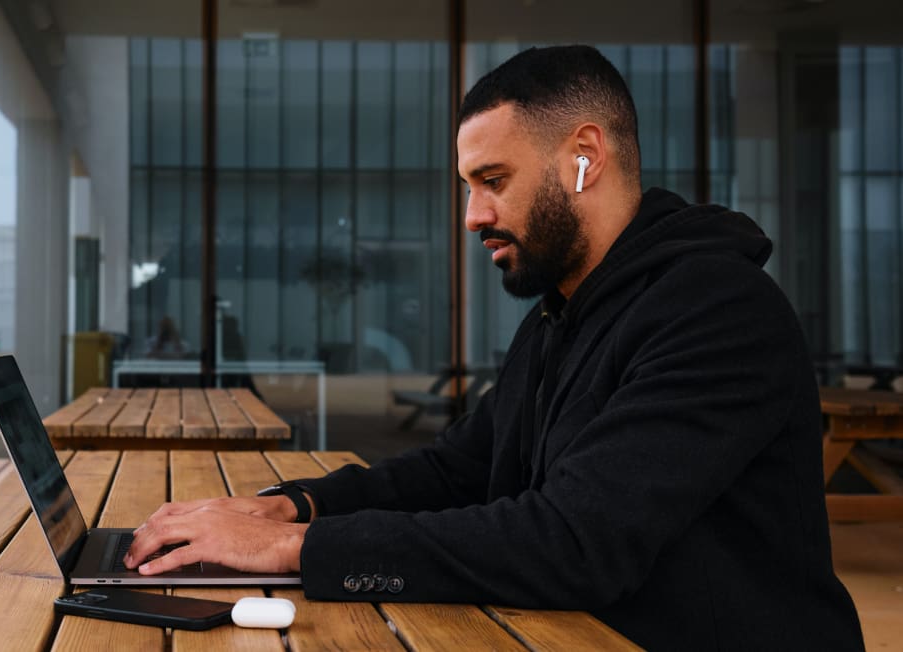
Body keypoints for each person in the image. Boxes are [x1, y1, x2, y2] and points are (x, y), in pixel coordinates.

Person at [124, 45, 863, 650]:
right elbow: (461, 470)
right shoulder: (563, 313)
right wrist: (291, 509)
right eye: (468, 186)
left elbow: (574, 542)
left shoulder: (716, 310)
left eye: (494, 180)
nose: (474, 216)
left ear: (584, 157)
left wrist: (295, 554)